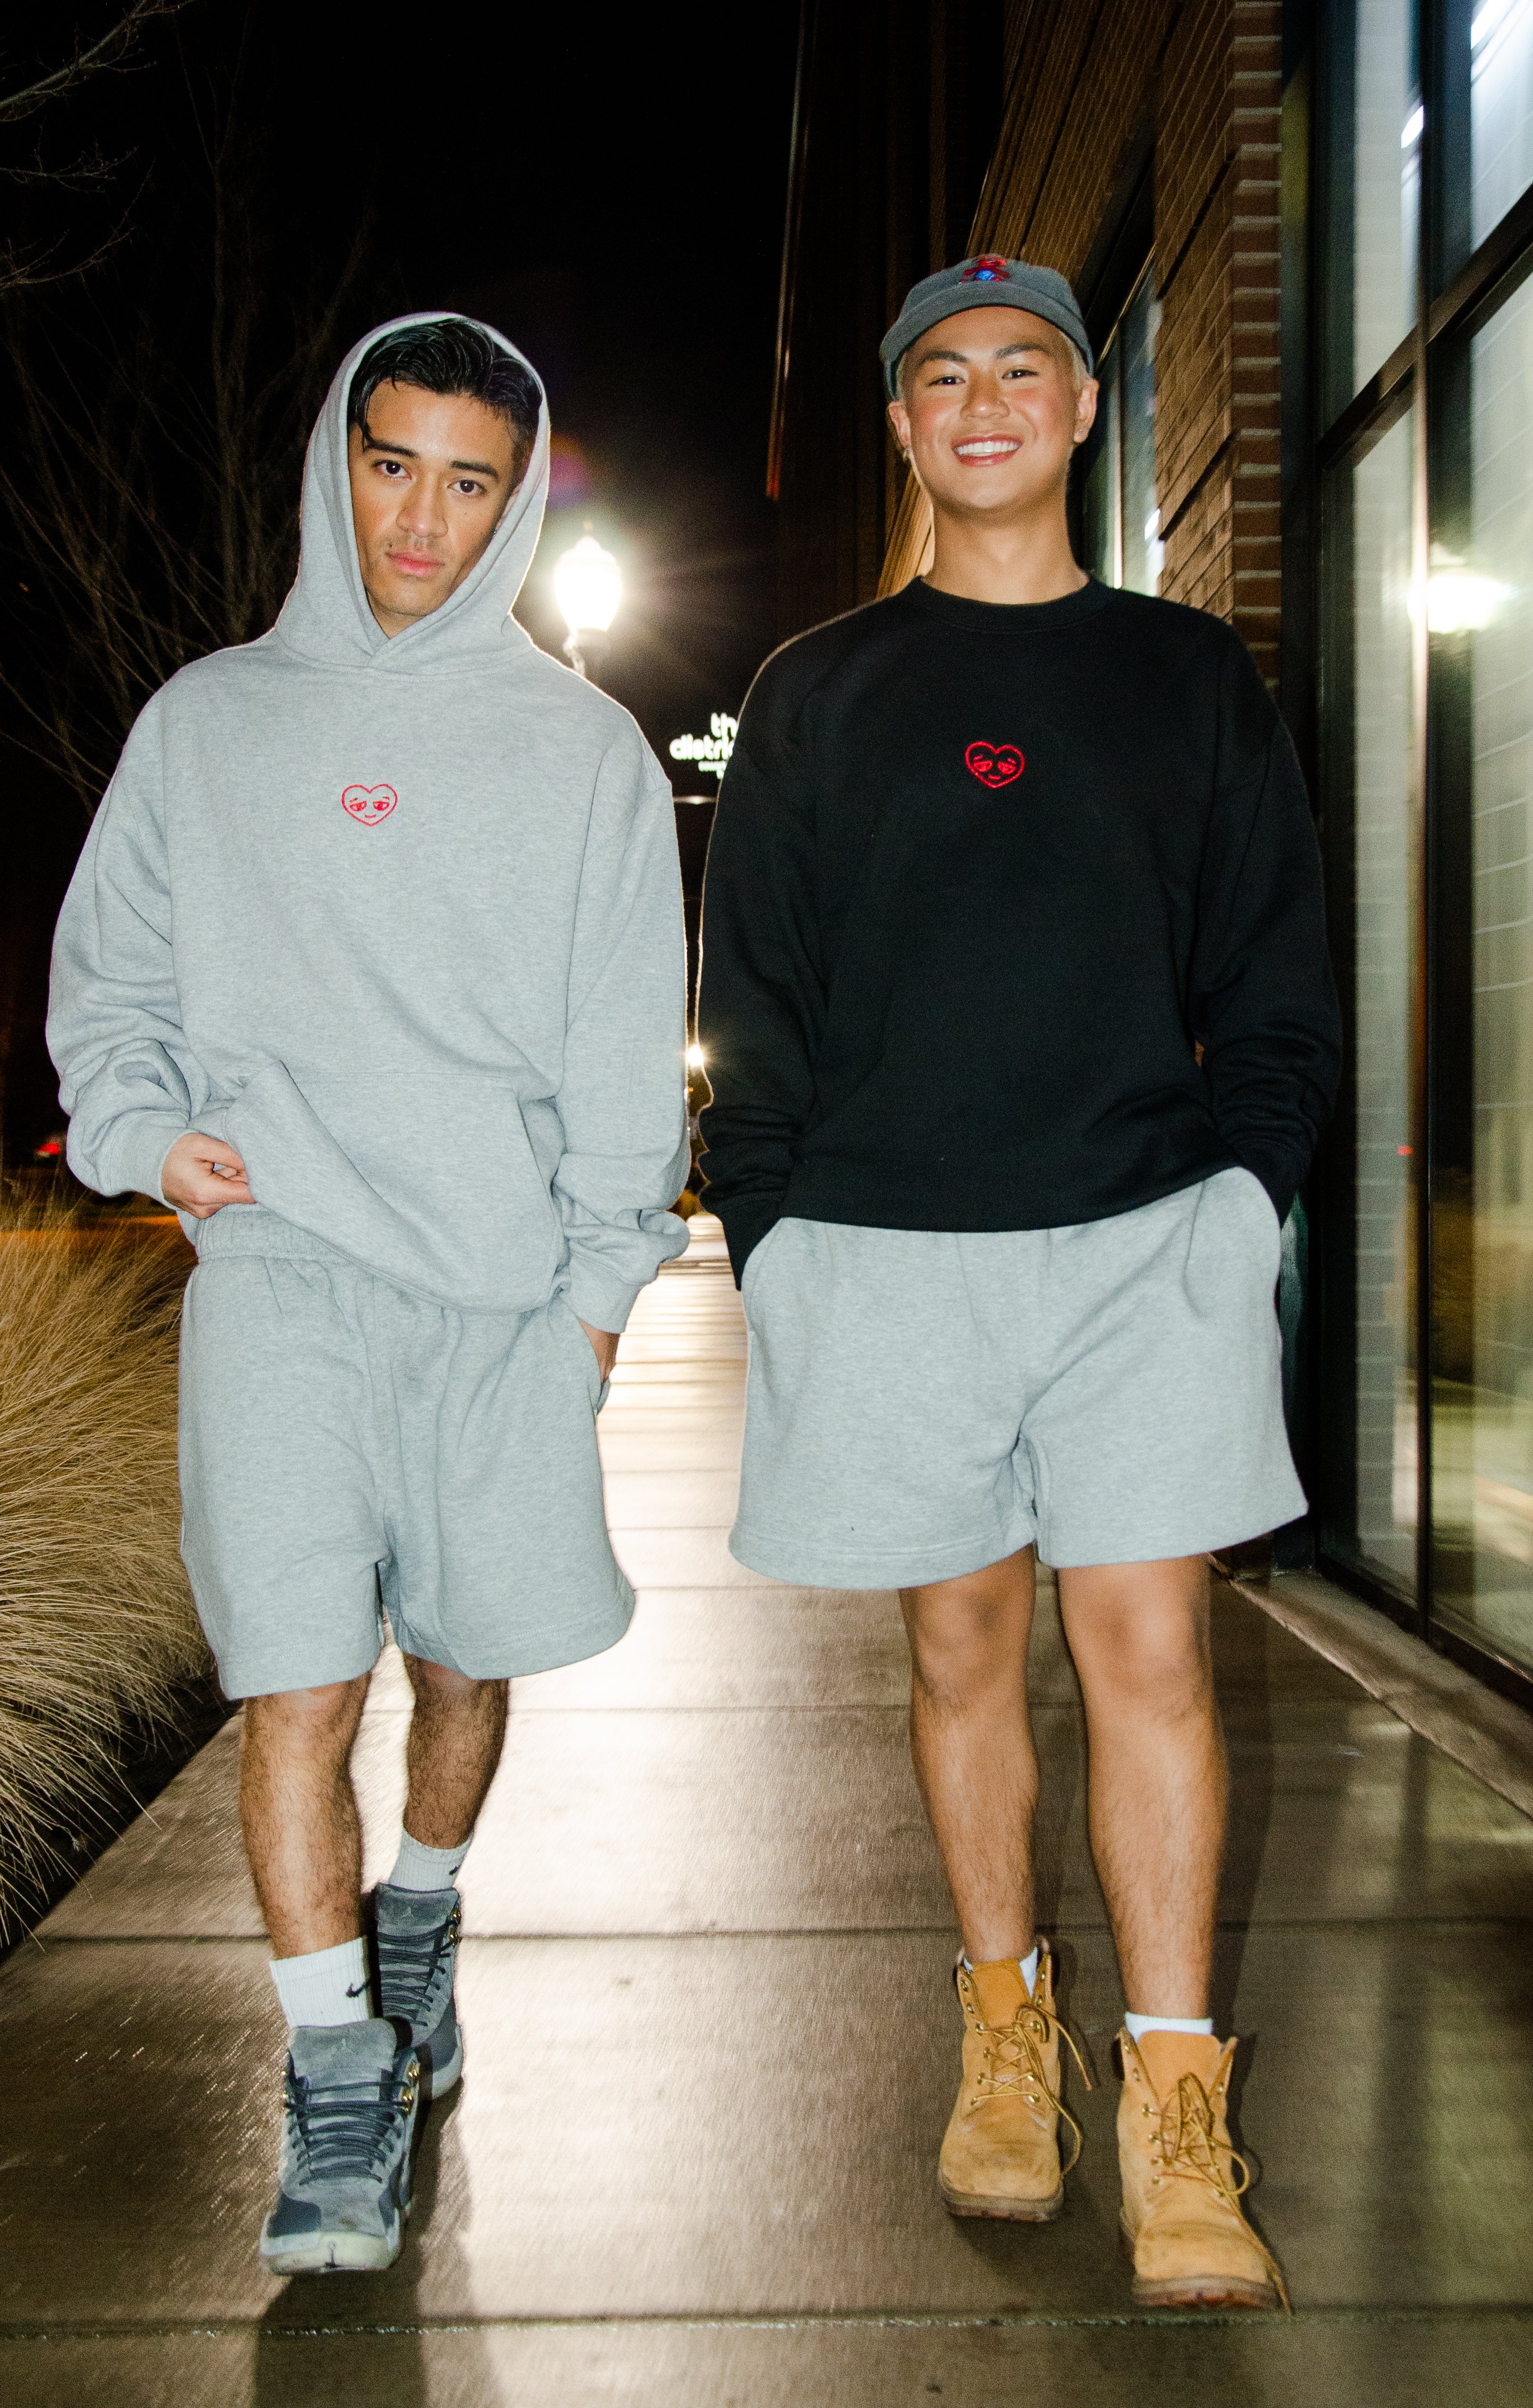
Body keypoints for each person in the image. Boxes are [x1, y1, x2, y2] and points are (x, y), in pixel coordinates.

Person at [696, 256, 1339, 2311]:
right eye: (943, 375)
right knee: (962, 1648)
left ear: (1078, 408)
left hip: (1142, 1239)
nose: (982, 400)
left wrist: (1241, 1200)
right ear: (903, 424)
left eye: (1023, 369)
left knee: (1149, 1652)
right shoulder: (817, 689)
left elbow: (1273, 973)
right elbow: (754, 999)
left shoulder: (1184, 676)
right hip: (887, 1250)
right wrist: (772, 1235)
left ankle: (1171, 2100)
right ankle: (1001, 2036)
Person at [49, 313, 689, 2274]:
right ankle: (338, 2082)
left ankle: (420, 1917)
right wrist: (144, 1134)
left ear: (515, 504)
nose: (421, 516)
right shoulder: (207, 723)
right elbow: (113, 979)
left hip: (498, 1298)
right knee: (296, 1681)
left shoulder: (579, 752)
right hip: (282, 1274)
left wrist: (595, 1300)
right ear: (338, 462)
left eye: (468, 481)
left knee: (466, 1668)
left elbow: (622, 1049)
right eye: (389, 463)